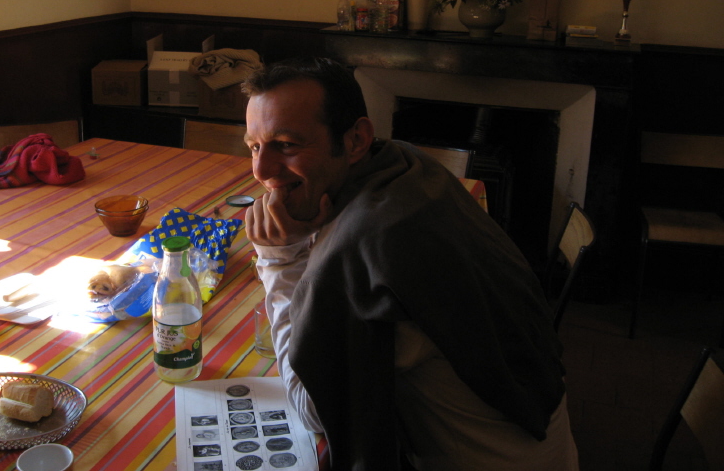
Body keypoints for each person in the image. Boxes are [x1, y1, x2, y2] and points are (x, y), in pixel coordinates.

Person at [242, 58, 579, 471]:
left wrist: (278, 258)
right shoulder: (405, 166)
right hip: (544, 430)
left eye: (286, 144)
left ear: (356, 139)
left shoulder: (365, 246)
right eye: (254, 147)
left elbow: (315, 409)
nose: (261, 170)